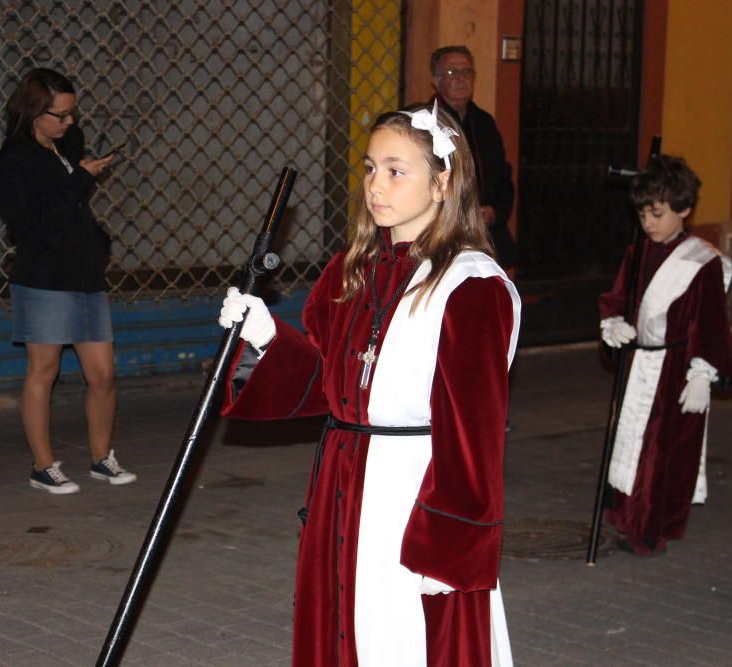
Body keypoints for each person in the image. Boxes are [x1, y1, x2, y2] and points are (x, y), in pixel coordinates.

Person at [218, 102, 519, 666]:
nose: (375, 185)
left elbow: (474, 438)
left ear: (442, 182)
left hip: (411, 494)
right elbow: (326, 383)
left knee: (399, 638)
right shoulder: (351, 269)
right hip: (343, 480)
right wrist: (265, 337)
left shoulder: (472, 287)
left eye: (396, 170)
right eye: (369, 167)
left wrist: (450, 547)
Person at [0, 68, 135, 494]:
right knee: (44, 370)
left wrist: (81, 173)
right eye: (62, 115)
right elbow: (37, 226)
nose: (72, 123)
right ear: (34, 112)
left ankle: (101, 457)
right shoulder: (13, 162)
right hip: (44, 278)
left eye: (73, 113)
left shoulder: (66, 145)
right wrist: (81, 178)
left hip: (85, 274)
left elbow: (72, 201)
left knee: (103, 374)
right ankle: (43, 465)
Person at [599, 155, 732, 557]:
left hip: (678, 367)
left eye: (657, 214)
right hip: (641, 362)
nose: (649, 223)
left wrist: (703, 372)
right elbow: (618, 298)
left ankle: (652, 528)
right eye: (643, 213)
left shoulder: (701, 262)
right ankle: (626, 516)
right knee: (631, 441)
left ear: (684, 210)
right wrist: (613, 325)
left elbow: (710, 322)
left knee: (664, 451)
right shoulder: (637, 252)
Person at [431, 45, 516, 268]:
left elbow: (503, 175)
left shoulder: (484, 122)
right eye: (452, 73)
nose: (461, 79)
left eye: (467, 72)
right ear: (437, 81)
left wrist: (495, 211)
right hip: (444, 233)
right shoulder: (426, 123)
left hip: (485, 233)